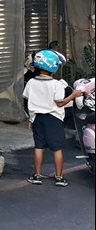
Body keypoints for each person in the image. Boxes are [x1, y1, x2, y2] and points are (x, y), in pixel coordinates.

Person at [23, 48, 83, 187]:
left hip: (38, 118)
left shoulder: (31, 82)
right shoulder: (56, 84)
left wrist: (31, 119)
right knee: (57, 148)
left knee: (39, 147)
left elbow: (28, 101)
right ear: (54, 66)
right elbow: (60, 102)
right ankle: (59, 177)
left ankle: (37, 175)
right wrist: (73, 96)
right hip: (53, 119)